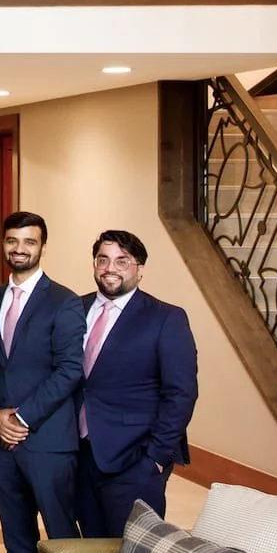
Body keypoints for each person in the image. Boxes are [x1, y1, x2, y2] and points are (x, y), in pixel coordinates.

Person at [0, 212, 85, 553]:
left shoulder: (64, 300)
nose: (19, 248)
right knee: (16, 534)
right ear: (3, 244)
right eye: (12, 240)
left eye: (29, 241)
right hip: (1, 440)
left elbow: (70, 370)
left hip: (47, 440)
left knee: (60, 539)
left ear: (43, 246)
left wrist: (21, 417)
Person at [76, 228, 199, 535]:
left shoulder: (165, 318)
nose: (110, 268)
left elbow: (181, 393)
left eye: (122, 261)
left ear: (140, 270)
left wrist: (155, 458)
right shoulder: (74, 309)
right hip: (79, 456)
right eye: (102, 260)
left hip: (134, 459)